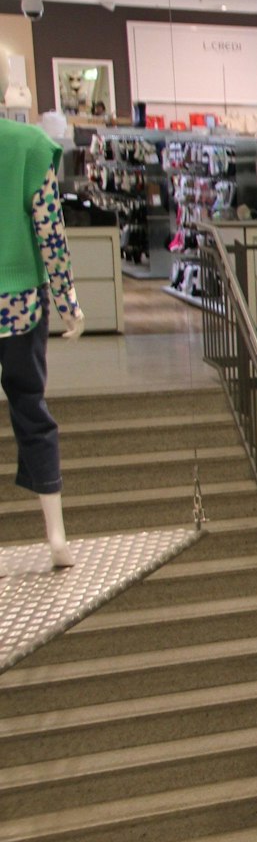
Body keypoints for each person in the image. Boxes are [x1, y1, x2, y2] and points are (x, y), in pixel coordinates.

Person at [0, 116, 84, 569]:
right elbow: (51, 232)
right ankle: (56, 536)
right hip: (20, 303)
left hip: (21, 299)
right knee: (31, 408)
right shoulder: (31, 146)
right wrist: (69, 301)